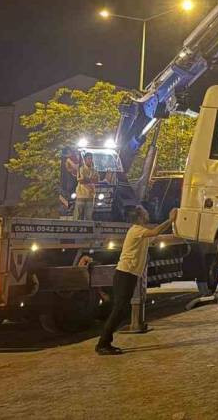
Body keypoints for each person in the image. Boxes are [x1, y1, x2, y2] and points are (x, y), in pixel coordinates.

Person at [96, 207, 174, 355]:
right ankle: (103, 343)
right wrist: (170, 220)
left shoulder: (140, 231)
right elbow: (156, 232)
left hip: (128, 274)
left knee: (120, 309)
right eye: (145, 212)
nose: (148, 213)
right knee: (119, 310)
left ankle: (105, 342)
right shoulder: (136, 230)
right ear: (139, 217)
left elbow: (156, 236)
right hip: (125, 274)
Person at [74, 152, 99, 220]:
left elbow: (96, 180)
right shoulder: (80, 168)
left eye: (91, 158)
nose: (90, 160)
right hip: (81, 195)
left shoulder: (94, 170)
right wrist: (90, 179)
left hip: (90, 195)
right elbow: (80, 180)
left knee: (89, 216)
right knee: (79, 216)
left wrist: (87, 179)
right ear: (85, 160)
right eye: (89, 158)